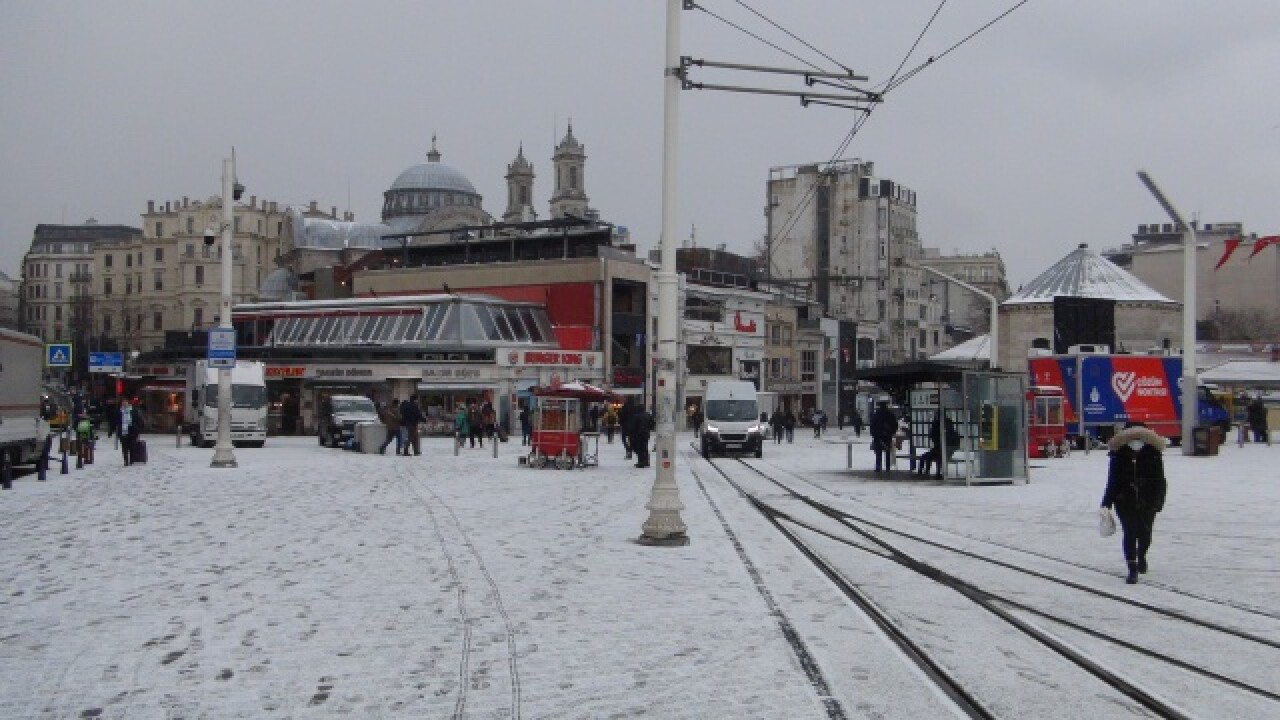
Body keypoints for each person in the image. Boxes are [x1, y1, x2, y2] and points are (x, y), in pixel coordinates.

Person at [1101, 422, 1167, 584]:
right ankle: (1132, 567)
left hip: (1148, 500)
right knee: (1130, 532)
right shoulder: (1118, 456)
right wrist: (1106, 503)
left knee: (1145, 534)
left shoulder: (1153, 454)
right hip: (1125, 500)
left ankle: (1141, 554)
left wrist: (1158, 501)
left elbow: (1160, 481)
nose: (1135, 440)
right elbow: (1112, 481)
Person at [917, 411, 961, 479]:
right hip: (939, 448)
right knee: (927, 457)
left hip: (944, 449)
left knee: (934, 458)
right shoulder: (946, 428)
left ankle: (929, 473)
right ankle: (925, 473)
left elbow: (933, 435)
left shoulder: (946, 430)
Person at [870, 401, 897, 473]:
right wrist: (891, 433)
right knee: (887, 452)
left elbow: (872, 426)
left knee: (878, 454)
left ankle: (878, 468)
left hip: (878, 437)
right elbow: (894, 425)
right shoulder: (890, 415)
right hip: (887, 436)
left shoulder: (876, 415)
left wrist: (874, 435)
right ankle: (887, 468)